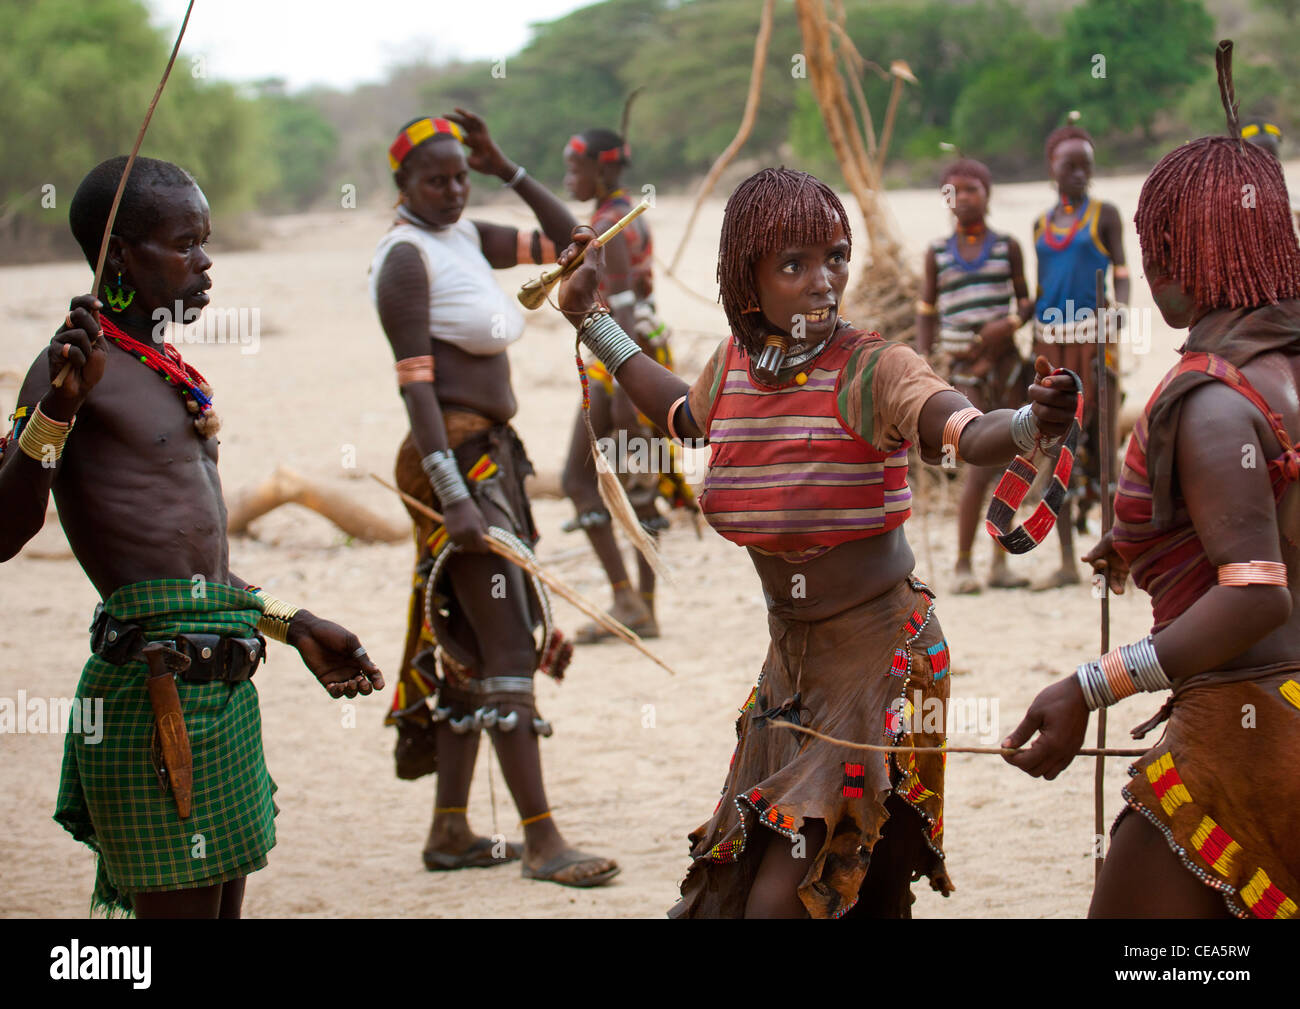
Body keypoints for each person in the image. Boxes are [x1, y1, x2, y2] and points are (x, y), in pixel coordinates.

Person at [554, 167, 1079, 917]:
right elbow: (677, 412)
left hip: (883, 664)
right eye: (793, 264)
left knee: (786, 900)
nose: (823, 281)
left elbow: (961, 427)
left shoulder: (875, 368)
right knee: (807, 897)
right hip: (790, 671)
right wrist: (590, 317)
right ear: (747, 279)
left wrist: (1029, 424)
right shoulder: (734, 367)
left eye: (834, 256)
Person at [0, 156, 384, 919]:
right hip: (156, 695)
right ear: (119, 257)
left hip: (223, 692)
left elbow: (195, 574)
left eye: (205, 242)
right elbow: (5, 530)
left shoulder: (164, 369)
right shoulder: (71, 367)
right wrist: (57, 412)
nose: (205, 265)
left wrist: (295, 624)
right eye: (184, 244)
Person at [1003, 127, 1300, 918]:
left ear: (1178, 260)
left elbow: (1257, 593)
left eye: (1156, 252)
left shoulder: (1211, 403)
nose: (1151, 272)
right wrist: (1148, 544)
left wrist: (1089, 685)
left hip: (1244, 736)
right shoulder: (1284, 368)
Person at [371, 110, 618, 887]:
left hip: (492, 462)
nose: (450, 190)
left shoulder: (468, 237)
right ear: (401, 186)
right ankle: (542, 841)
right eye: (433, 180)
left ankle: (450, 830)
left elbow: (578, 242)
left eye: (459, 177)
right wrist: (456, 498)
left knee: (472, 646)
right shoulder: (404, 261)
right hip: (454, 466)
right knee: (510, 644)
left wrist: (505, 164)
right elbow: (417, 392)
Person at [559, 126, 694, 640]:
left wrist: (622, 392)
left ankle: (629, 600)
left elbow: (627, 315)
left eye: (577, 168)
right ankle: (640, 604)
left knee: (583, 479)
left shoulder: (608, 226)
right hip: (630, 363)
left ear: (605, 169)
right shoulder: (622, 216)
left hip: (619, 368)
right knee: (636, 484)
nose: (570, 178)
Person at [917, 158, 1034, 594]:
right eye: (953, 191)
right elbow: (926, 311)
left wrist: (1008, 326)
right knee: (977, 466)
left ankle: (998, 565)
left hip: (1004, 370)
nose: (963, 198)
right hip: (965, 375)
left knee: (1010, 464)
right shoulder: (938, 253)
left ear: (987, 194)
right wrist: (922, 363)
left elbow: (1025, 302)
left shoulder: (1007, 246)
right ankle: (965, 563)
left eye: (972, 189)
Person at [1031, 125, 1130, 586]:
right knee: (1057, 447)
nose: (1079, 175)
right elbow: (1040, 287)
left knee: (1102, 446)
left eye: (1086, 166)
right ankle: (1068, 562)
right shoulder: (1040, 224)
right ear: (1052, 168)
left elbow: (1123, 273)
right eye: (1070, 166)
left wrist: (1122, 309)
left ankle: (1116, 554)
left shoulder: (1104, 214)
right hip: (1051, 339)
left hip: (1094, 340)